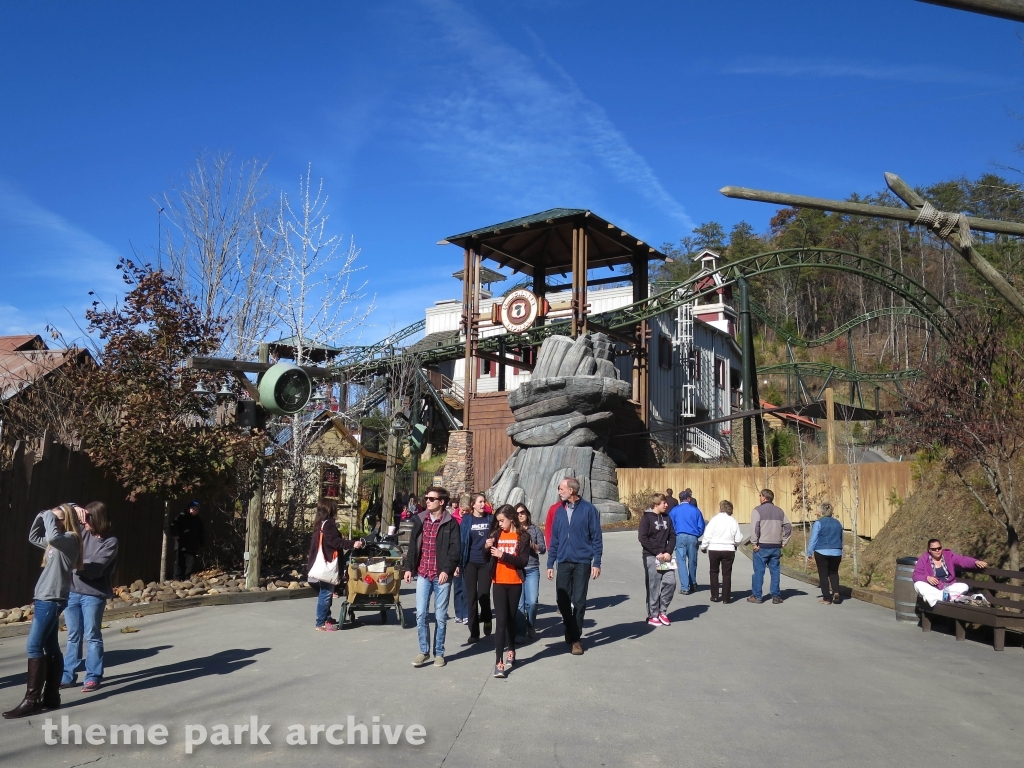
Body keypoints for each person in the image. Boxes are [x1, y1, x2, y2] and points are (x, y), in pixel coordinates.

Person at [4, 504, 83, 719]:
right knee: (50, 646)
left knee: (34, 646)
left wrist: (48, 514)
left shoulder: (69, 539)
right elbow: (33, 537)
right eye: (52, 519)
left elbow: (54, 537)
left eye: (56, 519)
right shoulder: (57, 541)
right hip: (45, 597)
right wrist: (40, 517)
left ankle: (32, 701)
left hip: (51, 599)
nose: (52, 522)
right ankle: (51, 696)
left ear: (65, 520)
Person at [61, 502, 118, 692]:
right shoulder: (82, 532)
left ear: (97, 519)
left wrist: (71, 561)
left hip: (93, 595)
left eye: (87, 519)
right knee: (73, 636)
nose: (84, 523)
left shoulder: (110, 542)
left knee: (92, 636)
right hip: (72, 593)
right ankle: (67, 676)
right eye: (83, 519)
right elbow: (61, 515)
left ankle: (93, 676)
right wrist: (73, 507)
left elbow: (95, 568)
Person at [403, 487, 461, 667]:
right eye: (426, 498)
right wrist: (408, 568)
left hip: (441, 575)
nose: (427, 501)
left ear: (441, 502)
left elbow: (455, 550)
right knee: (421, 614)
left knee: (441, 616)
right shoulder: (420, 519)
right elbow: (412, 546)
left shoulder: (451, 523)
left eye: (431, 499)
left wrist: (446, 570)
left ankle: (439, 653)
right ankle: (424, 651)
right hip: (423, 573)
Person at [546, 477, 603, 656]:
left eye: (561, 488)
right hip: (563, 560)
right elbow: (555, 539)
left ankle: (576, 639)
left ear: (571, 490)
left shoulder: (588, 509)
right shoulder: (559, 511)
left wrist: (597, 562)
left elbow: (596, 537)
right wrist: (550, 563)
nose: (559, 491)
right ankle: (570, 627)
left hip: (582, 561)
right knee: (562, 600)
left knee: (579, 601)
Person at [487, 505, 531, 678]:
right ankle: (499, 661)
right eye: (498, 521)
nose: (499, 524)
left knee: (511, 619)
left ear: (511, 519)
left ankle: (511, 649)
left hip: (515, 582)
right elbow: (485, 557)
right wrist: (486, 547)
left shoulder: (523, 536)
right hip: (498, 582)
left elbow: (523, 561)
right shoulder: (496, 534)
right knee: (501, 621)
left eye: (502, 520)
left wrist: (502, 555)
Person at [307, 499, 364, 631]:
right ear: (330, 509)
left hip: (319, 563)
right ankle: (321, 622)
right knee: (326, 594)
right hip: (328, 564)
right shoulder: (329, 524)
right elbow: (335, 541)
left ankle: (327, 618)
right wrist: (352, 543)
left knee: (326, 592)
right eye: (335, 507)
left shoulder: (319, 524)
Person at [912, 539, 988, 607]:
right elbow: (915, 576)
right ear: (929, 550)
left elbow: (962, 560)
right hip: (933, 588)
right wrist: (927, 578)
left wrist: (975, 562)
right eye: (934, 549)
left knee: (964, 586)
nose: (937, 550)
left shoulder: (948, 556)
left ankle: (933, 598)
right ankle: (945, 598)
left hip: (948, 587)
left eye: (939, 548)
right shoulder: (924, 559)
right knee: (918, 584)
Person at [748, 489, 792, 605]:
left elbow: (755, 528)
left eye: (760, 496)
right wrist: (784, 542)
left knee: (759, 572)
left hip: (762, 546)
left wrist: (754, 543)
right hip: (776, 546)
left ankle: (757, 596)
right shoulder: (779, 511)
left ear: (763, 497)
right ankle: (776, 596)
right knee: (775, 572)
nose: (759, 497)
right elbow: (788, 526)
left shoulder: (757, 510)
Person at [639, 492, 676, 626]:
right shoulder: (646, 518)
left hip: (665, 558)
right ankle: (653, 615)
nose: (666, 505)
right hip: (651, 556)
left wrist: (668, 552)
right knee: (653, 586)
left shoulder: (667, 518)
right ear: (656, 504)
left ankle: (662, 611)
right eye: (664, 503)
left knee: (671, 582)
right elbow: (642, 538)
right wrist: (656, 552)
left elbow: (672, 536)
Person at [460, 493, 494, 641]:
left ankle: (487, 617)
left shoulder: (490, 519)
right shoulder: (467, 520)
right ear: (472, 504)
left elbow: (497, 535)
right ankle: (474, 633)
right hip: (470, 562)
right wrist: (458, 564)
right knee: (471, 598)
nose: (482, 504)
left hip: (485, 562)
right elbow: (462, 541)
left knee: (483, 595)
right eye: (480, 502)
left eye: (483, 502)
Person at [700, 499, 743, 604]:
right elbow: (738, 538)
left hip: (714, 548)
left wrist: (703, 546)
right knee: (727, 574)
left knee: (714, 572)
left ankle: (714, 595)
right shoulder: (733, 521)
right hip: (728, 549)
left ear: (720, 508)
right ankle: (726, 598)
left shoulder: (714, 520)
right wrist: (735, 544)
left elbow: (707, 535)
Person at [514, 504, 545, 641]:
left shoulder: (535, 529)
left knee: (532, 602)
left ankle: (531, 624)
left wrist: (532, 545)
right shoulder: (513, 530)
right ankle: (520, 633)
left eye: (522, 512)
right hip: (517, 569)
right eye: (517, 513)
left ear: (527, 513)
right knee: (519, 604)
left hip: (532, 568)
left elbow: (543, 549)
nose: (520, 515)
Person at [806, 502, 844, 605]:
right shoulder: (838, 523)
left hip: (822, 551)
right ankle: (836, 592)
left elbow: (813, 539)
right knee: (834, 572)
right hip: (837, 551)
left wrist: (809, 553)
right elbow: (841, 538)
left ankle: (827, 598)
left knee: (823, 574)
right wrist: (841, 550)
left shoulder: (818, 523)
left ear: (821, 512)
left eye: (819, 510)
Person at [668, 488, 705, 595]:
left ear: (680, 499)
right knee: (692, 561)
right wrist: (696, 535)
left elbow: (670, 525)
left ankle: (685, 587)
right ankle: (692, 583)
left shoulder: (674, 511)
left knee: (681, 561)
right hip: (693, 536)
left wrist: (672, 536)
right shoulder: (696, 510)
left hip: (679, 536)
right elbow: (701, 526)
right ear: (688, 499)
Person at [450, 495, 470, 625]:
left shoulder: (470, 519)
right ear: (459, 507)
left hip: (467, 556)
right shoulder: (453, 519)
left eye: (467, 511)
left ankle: (466, 613)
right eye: (463, 510)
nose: (464, 513)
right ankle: (458, 613)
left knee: (466, 587)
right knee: (457, 586)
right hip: (456, 556)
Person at [171, 500, 204, 580]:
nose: (194, 510)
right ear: (189, 508)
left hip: (193, 545)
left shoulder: (198, 520)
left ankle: (186, 577)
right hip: (181, 544)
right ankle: (177, 578)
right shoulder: (181, 517)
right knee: (179, 562)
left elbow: (201, 533)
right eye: (193, 508)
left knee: (190, 563)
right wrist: (175, 534)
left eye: (196, 509)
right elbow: (173, 526)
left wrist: (202, 543)